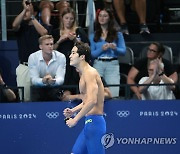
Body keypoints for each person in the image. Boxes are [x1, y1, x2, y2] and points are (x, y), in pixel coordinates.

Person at [63, 41, 106, 154]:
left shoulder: (90, 73)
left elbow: (92, 101)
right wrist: (73, 110)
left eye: (73, 53)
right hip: (89, 123)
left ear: (82, 57)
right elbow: (87, 100)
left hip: (95, 124)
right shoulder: (84, 74)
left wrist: (75, 120)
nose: (70, 56)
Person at [12, 0, 49, 101]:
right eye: (25, 11)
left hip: (39, 66)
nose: (25, 13)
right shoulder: (21, 27)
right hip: (24, 67)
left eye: (28, 11)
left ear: (35, 13)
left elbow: (44, 34)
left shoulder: (40, 26)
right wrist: (25, 9)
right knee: (25, 98)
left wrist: (32, 16)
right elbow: (14, 25)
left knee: (41, 97)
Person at [51, 7, 89, 95]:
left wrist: (75, 40)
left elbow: (86, 48)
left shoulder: (79, 31)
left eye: (71, 18)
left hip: (76, 66)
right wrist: (60, 41)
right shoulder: (56, 32)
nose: (69, 21)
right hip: (61, 65)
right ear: (62, 19)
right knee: (63, 91)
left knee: (78, 89)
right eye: (66, 18)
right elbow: (50, 49)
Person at [89, 8, 126, 97]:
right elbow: (92, 54)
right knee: (96, 93)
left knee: (113, 93)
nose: (102, 18)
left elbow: (123, 51)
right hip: (98, 64)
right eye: (100, 16)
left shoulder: (118, 34)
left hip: (112, 64)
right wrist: (101, 49)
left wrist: (115, 48)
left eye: (105, 16)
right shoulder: (93, 35)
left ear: (109, 18)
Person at [28, 35, 66, 101]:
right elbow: (34, 79)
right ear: (40, 47)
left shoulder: (61, 57)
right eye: (47, 44)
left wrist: (53, 81)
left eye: (51, 44)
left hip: (54, 87)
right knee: (35, 90)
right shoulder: (33, 57)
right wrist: (43, 81)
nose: (50, 46)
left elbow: (61, 78)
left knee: (57, 92)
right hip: (38, 88)